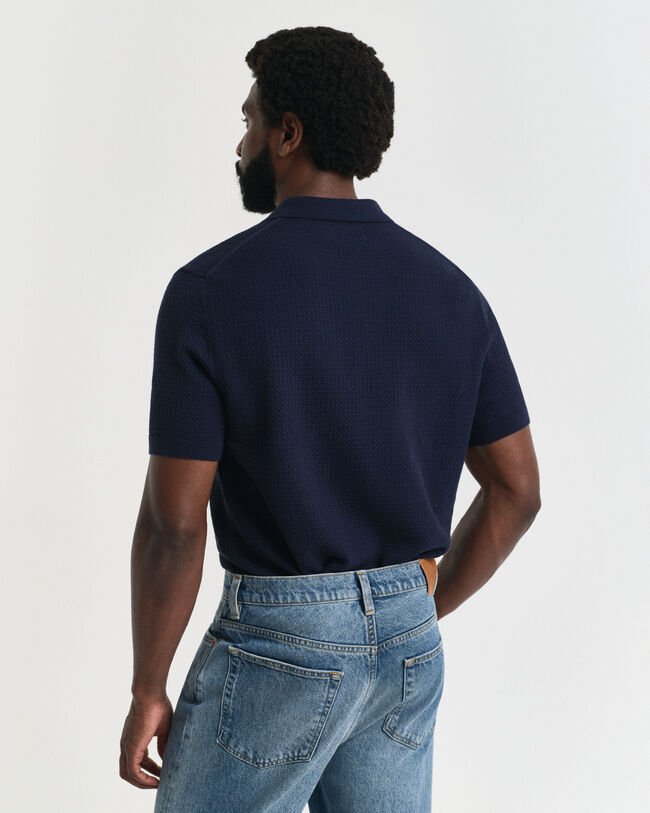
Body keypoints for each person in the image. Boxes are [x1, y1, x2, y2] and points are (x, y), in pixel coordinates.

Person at [119, 25, 541, 812]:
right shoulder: (451, 291)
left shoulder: (209, 292)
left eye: (249, 120)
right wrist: (408, 607)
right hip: (409, 646)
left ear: (288, 133)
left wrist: (149, 686)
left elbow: (174, 526)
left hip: (279, 644)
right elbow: (518, 489)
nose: (240, 143)